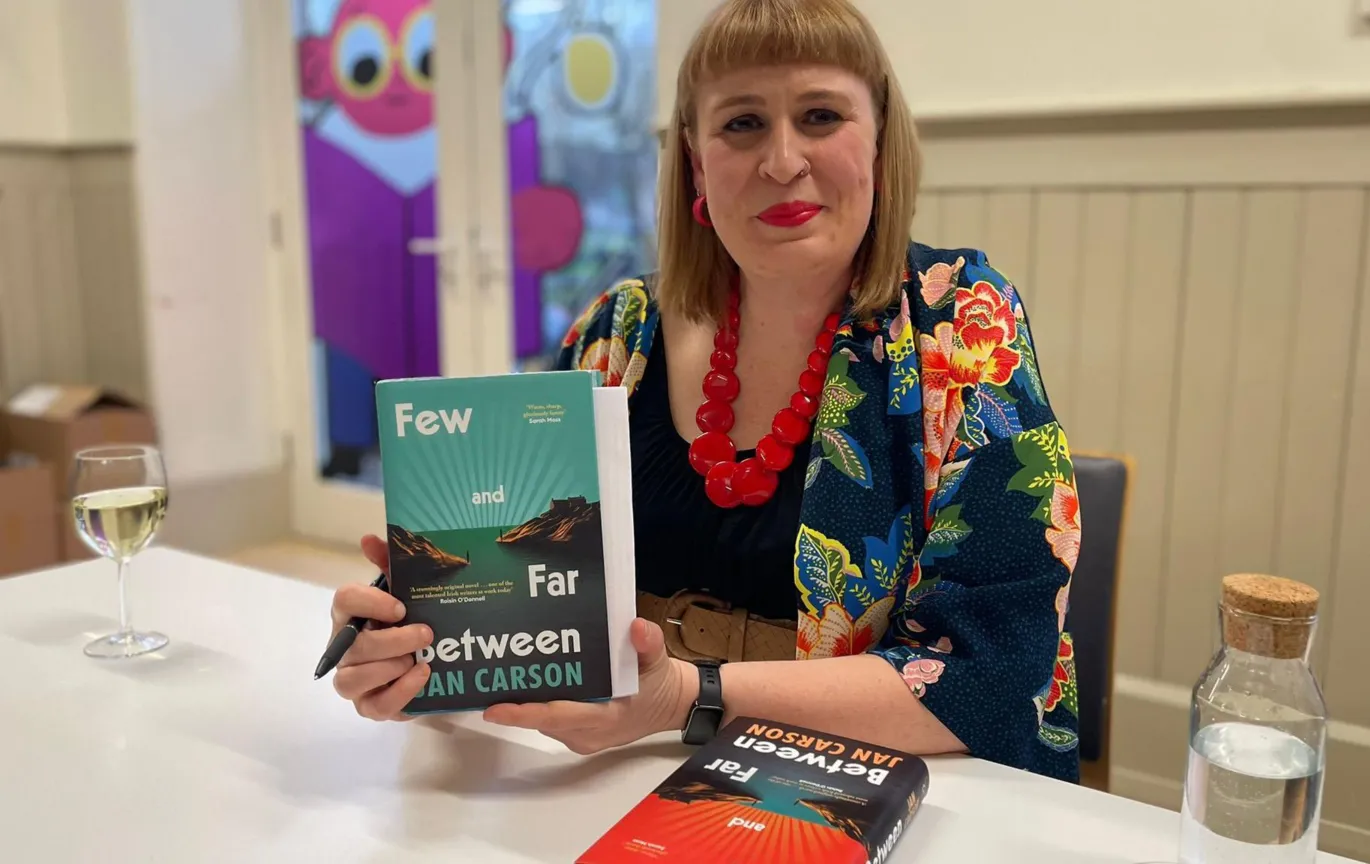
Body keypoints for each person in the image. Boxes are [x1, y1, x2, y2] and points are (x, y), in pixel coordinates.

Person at [325, 0, 1081, 782]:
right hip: (612, 784)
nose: (782, 160)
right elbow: (508, 574)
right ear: (694, 159)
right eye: (742, 123)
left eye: (820, 116)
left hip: (864, 791)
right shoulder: (618, 332)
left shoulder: (964, 326)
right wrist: (410, 637)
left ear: (881, 141)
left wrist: (686, 696)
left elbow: (994, 674)